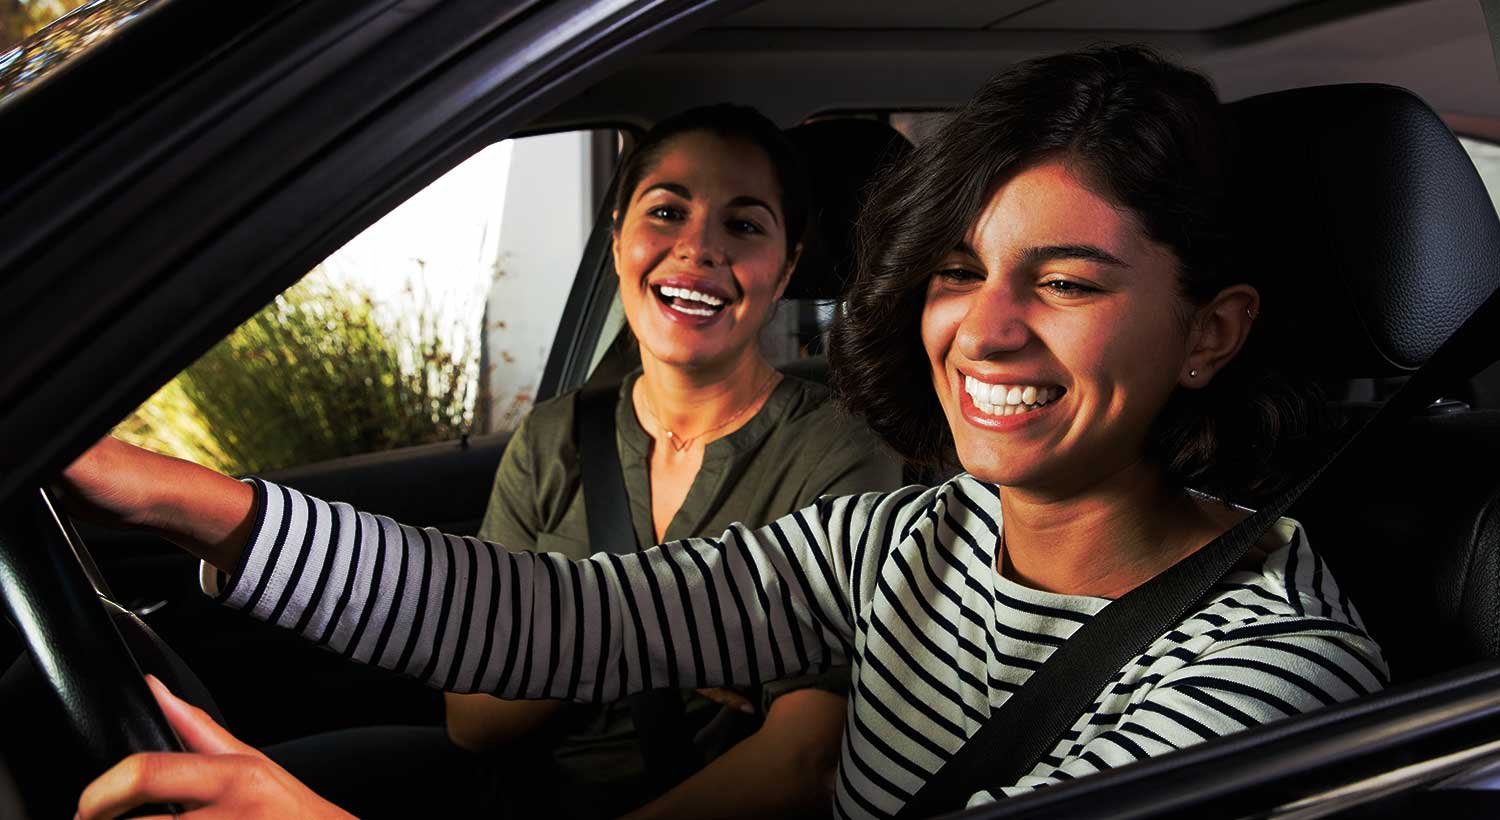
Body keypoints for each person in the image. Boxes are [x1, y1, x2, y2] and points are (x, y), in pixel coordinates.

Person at [69, 46, 1386, 820]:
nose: (982, 332)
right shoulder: (911, 541)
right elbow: (550, 619)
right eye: (955, 269)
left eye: (1069, 280)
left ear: (1209, 331)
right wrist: (162, 491)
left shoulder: (1266, 677)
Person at [252, 103, 903, 820]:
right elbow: (472, 719)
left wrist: (542, 628)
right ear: (618, 235)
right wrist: (685, 645)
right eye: (665, 212)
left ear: (783, 272)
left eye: (744, 226)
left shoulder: (835, 449)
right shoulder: (556, 434)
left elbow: (804, 759)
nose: (698, 249)